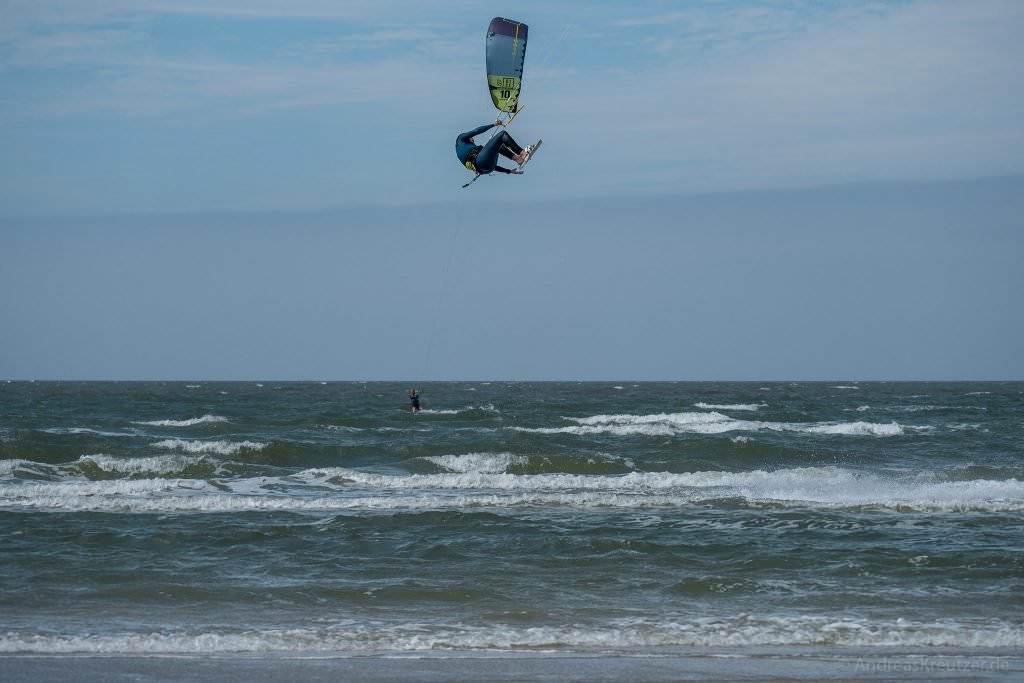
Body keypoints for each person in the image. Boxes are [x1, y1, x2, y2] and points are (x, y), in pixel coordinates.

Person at [455, 119, 532, 176]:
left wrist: (508, 171)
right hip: (481, 161)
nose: (473, 139)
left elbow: (491, 166)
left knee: (498, 146)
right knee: (502, 134)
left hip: (486, 169)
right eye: (472, 138)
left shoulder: (461, 152)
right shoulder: (460, 138)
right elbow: (476, 131)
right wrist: (494, 124)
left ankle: (518, 159)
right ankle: (522, 153)